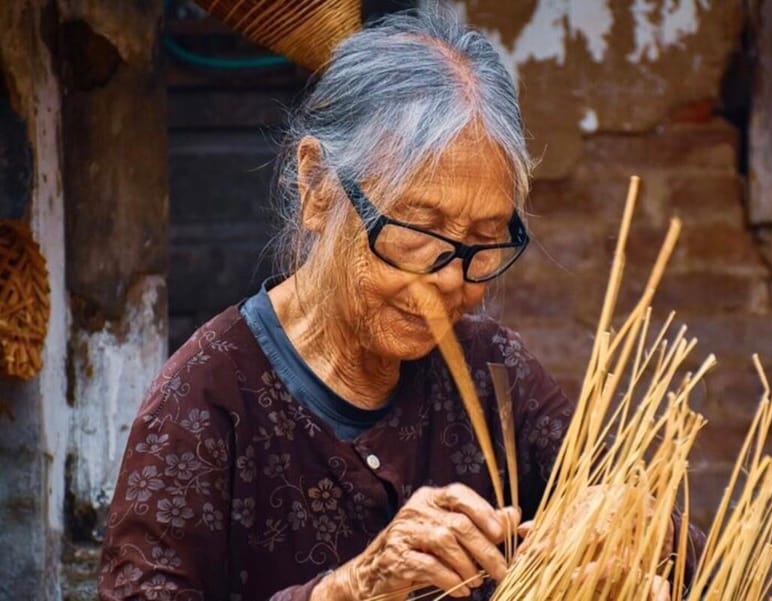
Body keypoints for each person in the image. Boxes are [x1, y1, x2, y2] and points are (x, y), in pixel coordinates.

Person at [98, 6, 703, 601]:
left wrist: (637, 523)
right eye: (417, 230)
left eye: (484, 241)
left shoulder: (492, 370)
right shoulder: (206, 398)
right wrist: (348, 590)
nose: (448, 282)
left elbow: (692, 553)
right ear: (316, 186)